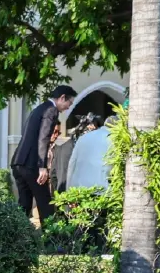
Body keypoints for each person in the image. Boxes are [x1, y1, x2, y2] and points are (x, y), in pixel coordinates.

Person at [11, 85, 76, 222]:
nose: (68, 107)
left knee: (24, 204)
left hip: (18, 162)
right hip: (31, 164)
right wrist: (42, 166)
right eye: (69, 103)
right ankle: (52, 235)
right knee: (45, 204)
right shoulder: (51, 110)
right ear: (62, 98)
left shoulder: (39, 109)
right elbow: (44, 138)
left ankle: (15, 233)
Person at [66, 115, 114, 190]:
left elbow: (72, 164)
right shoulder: (114, 140)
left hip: (79, 190)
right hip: (103, 190)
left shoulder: (83, 138)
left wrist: (68, 189)